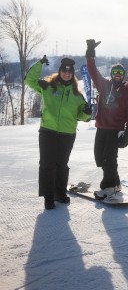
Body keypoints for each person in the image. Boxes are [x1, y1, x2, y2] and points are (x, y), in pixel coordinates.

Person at [24, 56, 92, 210]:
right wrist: (39, 63)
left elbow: (82, 115)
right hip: (48, 131)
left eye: (69, 71)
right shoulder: (48, 87)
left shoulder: (77, 96)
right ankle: (49, 197)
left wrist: (87, 113)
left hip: (67, 134)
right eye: (64, 70)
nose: (67, 73)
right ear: (60, 71)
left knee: (62, 165)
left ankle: (60, 193)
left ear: (72, 74)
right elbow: (29, 80)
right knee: (47, 164)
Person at [85, 40, 128, 199]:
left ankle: (109, 187)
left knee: (109, 158)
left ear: (123, 75)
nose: (117, 76)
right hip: (101, 127)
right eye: (115, 73)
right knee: (100, 157)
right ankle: (116, 182)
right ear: (111, 74)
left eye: (120, 73)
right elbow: (92, 71)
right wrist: (90, 52)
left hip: (115, 130)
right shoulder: (104, 85)